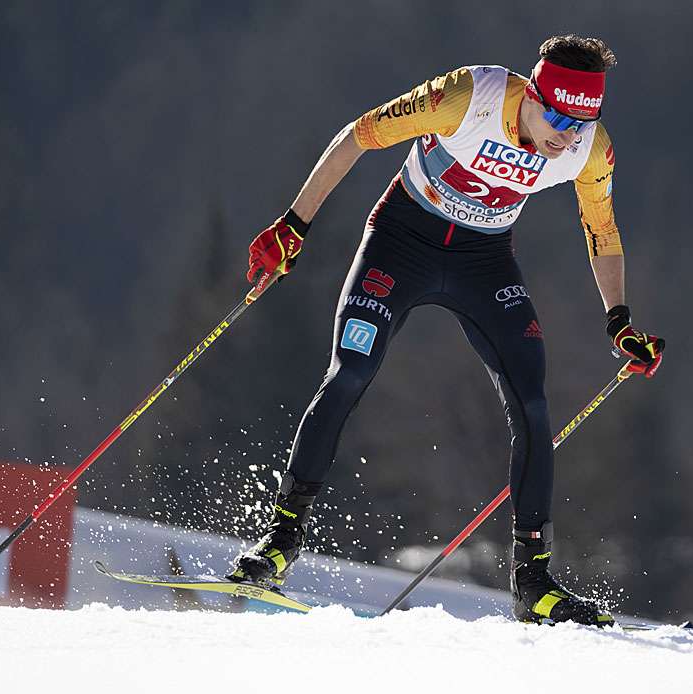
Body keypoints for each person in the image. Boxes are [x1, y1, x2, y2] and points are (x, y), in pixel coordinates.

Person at [228, 34, 664, 626]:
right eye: (556, 116)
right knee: (351, 371)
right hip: (401, 243)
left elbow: (602, 231)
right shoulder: (468, 95)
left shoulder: (589, 150)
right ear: (530, 95)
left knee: (532, 403)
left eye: (580, 122)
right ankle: (276, 546)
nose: (564, 135)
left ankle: (534, 585)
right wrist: (295, 223)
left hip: (484, 264)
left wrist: (620, 322)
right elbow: (358, 135)